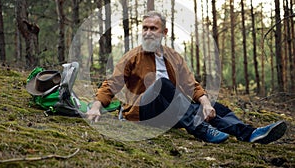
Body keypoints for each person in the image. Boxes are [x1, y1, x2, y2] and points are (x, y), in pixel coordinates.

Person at [87, 11, 287, 144]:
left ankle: (250, 134)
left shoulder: (173, 57)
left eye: (153, 28)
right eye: (145, 28)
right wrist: (96, 106)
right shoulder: (132, 57)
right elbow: (111, 84)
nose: (147, 32)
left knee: (217, 107)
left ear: (164, 32)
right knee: (163, 85)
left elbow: (192, 85)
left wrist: (206, 103)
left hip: (170, 113)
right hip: (140, 113)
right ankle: (201, 129)